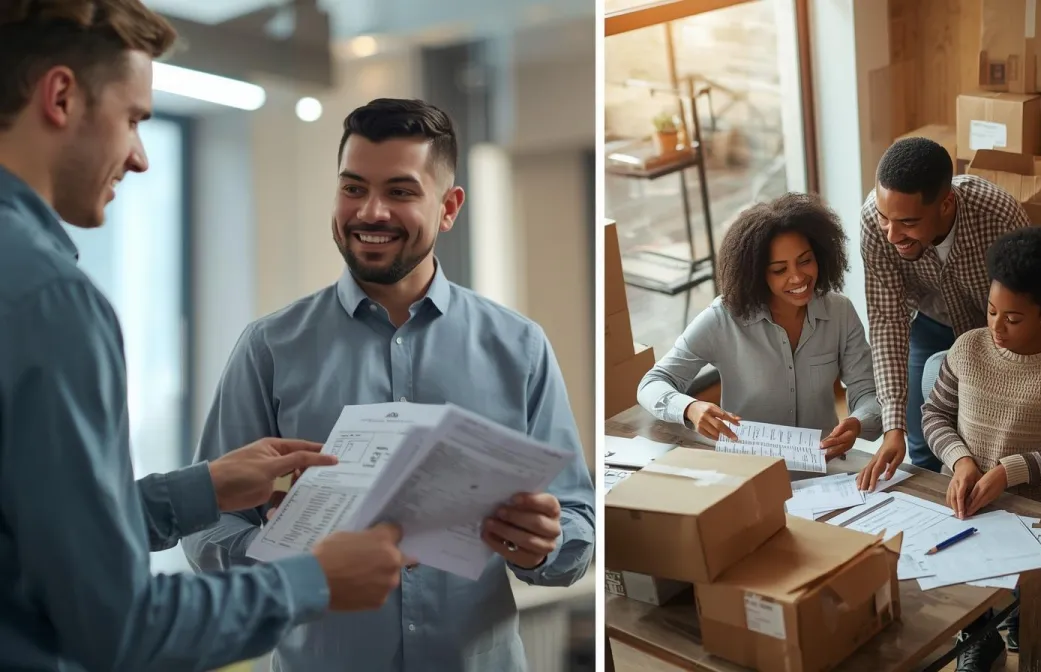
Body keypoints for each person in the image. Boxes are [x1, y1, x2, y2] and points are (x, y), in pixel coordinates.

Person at [0, 3, 414, 671]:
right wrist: (313, 580)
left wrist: (199, 489)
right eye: (134, 118)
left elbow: (26, 542)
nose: (138, 158)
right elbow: (119, 626)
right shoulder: (51, 300)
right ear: (60, 95)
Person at [183, 98, 595, 671]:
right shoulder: (269, 347)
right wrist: (283, 562)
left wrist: (546, 542)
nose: (370, 212)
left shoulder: (519, 346)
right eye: (353, 188)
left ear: (449, 208)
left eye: (400, 192)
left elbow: (577, 518)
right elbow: (209, 521)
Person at [921, 227, 1041, 670]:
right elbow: (934, 416)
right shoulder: (967, 347)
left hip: (1036, 512)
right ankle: (983, 638)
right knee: (970, 593)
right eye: (991, 310)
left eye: (1014, 318)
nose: (996, 327)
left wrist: (1010, 471)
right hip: (966, 504)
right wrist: (960, 461)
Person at [855, 137, 1041, 491]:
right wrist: (892, 428)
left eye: (907, 222)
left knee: (990, 439)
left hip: (998, 332)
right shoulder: (876, 225)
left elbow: (1036, 304)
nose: (891, 234)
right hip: (929, 320)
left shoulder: (998, 215)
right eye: (883, 216)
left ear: (946, 204)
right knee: (920, 439)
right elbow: (887, 321)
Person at [637, 193, 882, 453]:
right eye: (779, 270)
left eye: (805, 261)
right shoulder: (723, 317)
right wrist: (690, 408)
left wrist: (858, 422)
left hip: (824, 466)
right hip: (749, 469)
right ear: (755, 273)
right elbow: (652, 383)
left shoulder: (839, 311)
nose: (798, 277)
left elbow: (869, 392)